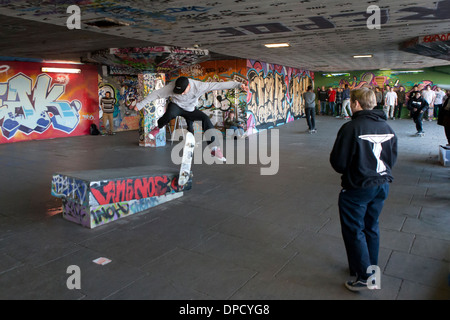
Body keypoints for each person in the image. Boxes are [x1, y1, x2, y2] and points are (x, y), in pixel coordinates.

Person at [330, 87, 397, 291]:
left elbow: (339, 162)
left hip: (358, 187)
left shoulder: (351, 128)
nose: (350, 105)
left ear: (356, 104)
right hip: (382, 185)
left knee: (354, 229)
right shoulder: (387, 127)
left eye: (351, 102)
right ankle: (367, 268)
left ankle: (364, 276)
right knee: (371, 226)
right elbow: (391, 159)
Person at [134, 76, 248, 162]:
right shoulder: (171, 87)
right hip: (177, 106)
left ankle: (214, 147)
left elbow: (219, 85)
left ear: (189, 86)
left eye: (184, 91)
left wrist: (238, 85)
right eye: (179, 92)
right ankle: (158, 127)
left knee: (205, 119)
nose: (182, 93)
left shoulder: (199, 86)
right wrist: (139, 105)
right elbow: (156, 94)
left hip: (190, 109)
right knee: (170, 113)